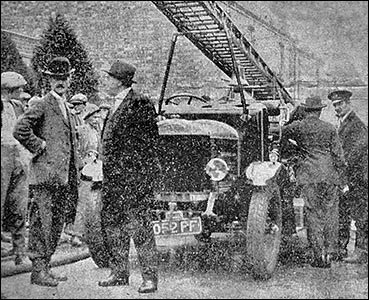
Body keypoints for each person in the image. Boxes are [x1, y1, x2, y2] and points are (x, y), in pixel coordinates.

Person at [13, 57, 80, 287]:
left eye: (64, 78)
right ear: (49, 79)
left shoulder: (66, 106)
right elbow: (20, 129)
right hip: (45, 177)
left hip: (62, 178)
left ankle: (46, 268)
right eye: (56, 78)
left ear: (69, 79)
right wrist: (39, 145)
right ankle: (38, 271)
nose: (60, 82)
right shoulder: (42, 103)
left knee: (55, 225)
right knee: (42, 223)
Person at [99, 60, 161, 293]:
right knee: (114, 226)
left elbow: (149, 144)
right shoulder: (114, 104)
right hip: (113, 180)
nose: (106, 81)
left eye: (109, 78)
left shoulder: (140, 103)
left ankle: (149, 278)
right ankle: (119, 273)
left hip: (134, 180)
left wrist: (139, 178)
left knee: (141, 228)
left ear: (119, 81)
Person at [281, 96, 347, 268]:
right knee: (331, 213)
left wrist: (297, 149)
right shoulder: (330, 128)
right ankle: (330, 253)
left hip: (309, 176)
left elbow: (282, 131)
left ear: (306, 110)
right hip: (329, 176)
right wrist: (342, 179)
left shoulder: (298, 127)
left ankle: (318, 256)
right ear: (319, 111)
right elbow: (339, 157)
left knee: (313, 214)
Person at [328, 90, 368, 264]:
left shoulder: (356, 125)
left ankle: (361, 251)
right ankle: (341, 248)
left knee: (361, 215)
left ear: (348, 103)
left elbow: (354, 154)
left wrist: (340, 171)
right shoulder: (342, 123)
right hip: (346, 177)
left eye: (340, 104)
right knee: (343, 212)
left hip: (358, 177)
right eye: (335, 105)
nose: (337, 108)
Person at [1, 71, 29, 265]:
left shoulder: (19, 107)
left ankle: (20, 250)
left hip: (19, 155)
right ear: (7, 90)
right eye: (17, 88)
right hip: (2, 155)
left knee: (19, 204)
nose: (21, 91)